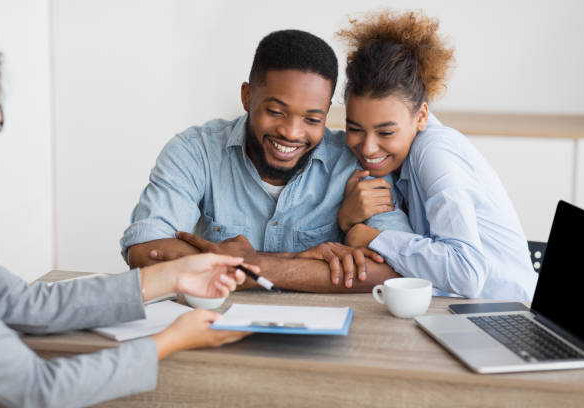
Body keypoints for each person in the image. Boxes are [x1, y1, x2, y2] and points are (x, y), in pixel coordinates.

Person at [0, 38, 253, 408]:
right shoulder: (194, 148)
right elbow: (37, 389)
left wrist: (174, 275)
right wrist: (170, 341)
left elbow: (27, 303)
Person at [121, 29, 412, 292]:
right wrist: (292, 261)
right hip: (215, 328)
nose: (291, 133)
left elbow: (394, 270)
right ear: (248, 96)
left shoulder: (356, 164)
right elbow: (146, 252)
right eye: (275, 112)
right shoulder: (195, 151)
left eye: (312, 118)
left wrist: (251, 265)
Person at [336, 10, 538, 300]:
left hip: (510, 314)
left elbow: (466, 274)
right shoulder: (394, 159)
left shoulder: (434, 152)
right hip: (456, 312)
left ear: (421, 117)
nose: (368, 148)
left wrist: (377, 239)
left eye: (386, 132)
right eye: (355, 128)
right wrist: (346, 221)